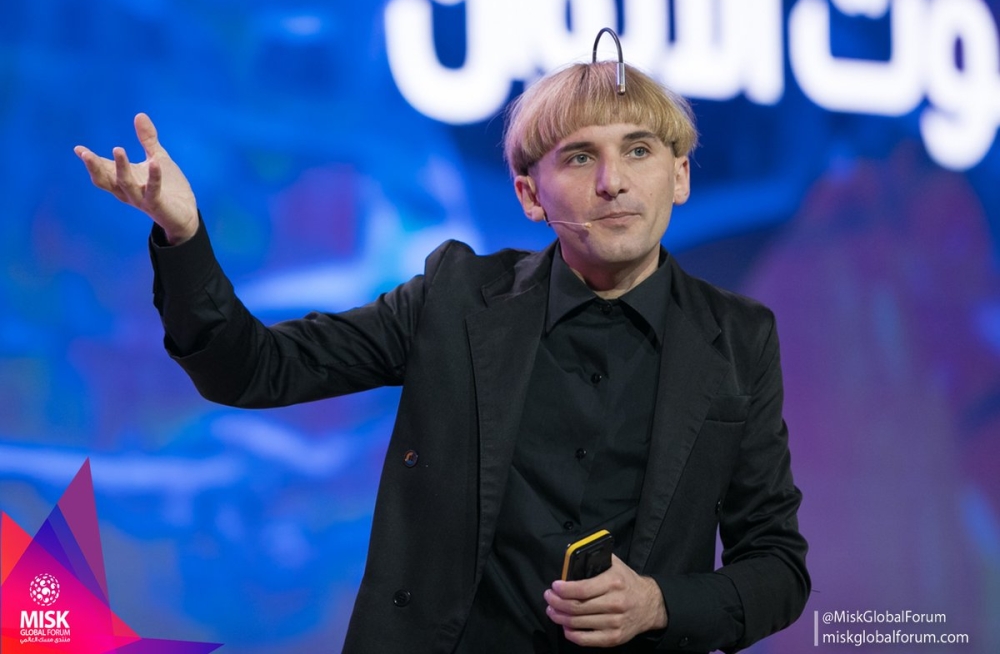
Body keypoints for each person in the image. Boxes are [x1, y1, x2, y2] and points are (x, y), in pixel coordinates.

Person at [75, 59, 809, 652]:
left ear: (678, 177)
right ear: (529, 194)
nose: (612, 182)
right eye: (580, 156)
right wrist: (184, 235)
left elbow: (777, 566)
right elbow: (254, 368)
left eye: (639, 151)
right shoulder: (456, 299)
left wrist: (658, 604)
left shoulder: (738, 338)